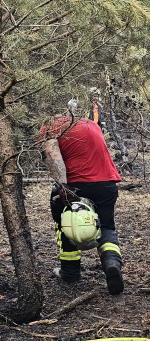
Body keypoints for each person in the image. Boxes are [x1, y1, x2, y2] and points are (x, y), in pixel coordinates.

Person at [38, 108, 124, 295]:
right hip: (107, 183)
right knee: (106, 227)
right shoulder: (90, 123)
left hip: (77, 184)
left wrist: (63, 186)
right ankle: (112, 264)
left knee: (66, 224)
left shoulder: (50, 125)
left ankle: (70, 272)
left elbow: (53, 155)